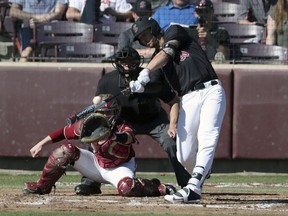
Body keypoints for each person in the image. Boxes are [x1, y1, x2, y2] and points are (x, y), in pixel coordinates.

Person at [129, 16, 226, 203]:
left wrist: (145, 72)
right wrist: (137, 85)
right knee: (184, 154)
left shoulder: (174, 31)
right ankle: (202, 169)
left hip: (210, 90)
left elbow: (167, 52)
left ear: (154, 28)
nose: (144, 39)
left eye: (146, 33)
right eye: (140, 38)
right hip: (188, 98)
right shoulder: (158, 65)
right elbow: (157, 87)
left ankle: (193, 188)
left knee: (208, 136)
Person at [74, 46, 192, 196]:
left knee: (171, 141)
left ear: (138, 62)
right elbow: (100, 108)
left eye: (131, 61)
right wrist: (101, 130)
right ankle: (90, 183)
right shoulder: (107, 81)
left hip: (154, 120)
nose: (127, 64)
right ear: (117, 63)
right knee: (96, 136)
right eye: (124, 61)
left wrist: (173, 125)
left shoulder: (153, 77)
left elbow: (174, 101)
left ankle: (187, 183)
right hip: (122, 123)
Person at [22, 94, 176, 197]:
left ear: (116, 113)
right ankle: (42, 186)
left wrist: (112, 135)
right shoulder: (89, 124)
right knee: (65, 150)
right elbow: (63, 132)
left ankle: (155, 186)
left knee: (126, 188)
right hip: (96, 163)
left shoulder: (122, 125)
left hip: (120, 167)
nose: (104, 116)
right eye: (101, 112)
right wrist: (41, 143)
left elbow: (128, 137)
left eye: (107, 113)